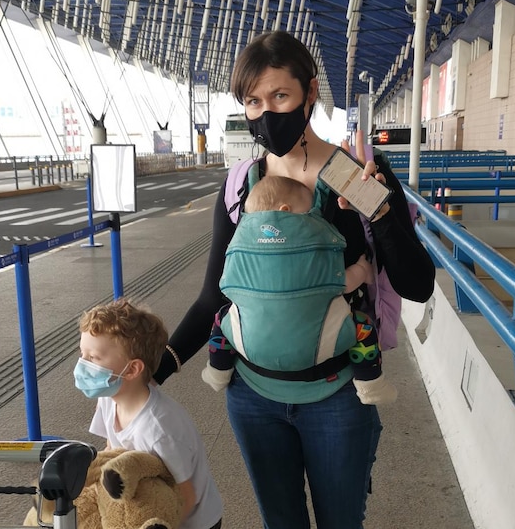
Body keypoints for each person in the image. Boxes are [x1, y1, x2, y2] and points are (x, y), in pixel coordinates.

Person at [153, 31, 436, 529]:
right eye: (253, 101)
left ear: (310, 93)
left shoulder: (355, 174)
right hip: (253, 395)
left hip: (340, 396)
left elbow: (417, 284)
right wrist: (155, 370)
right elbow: (215, 295)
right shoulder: (241, 184)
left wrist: (384, 212)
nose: (267, 114)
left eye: (280, 96)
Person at [200, 175, 395, 405]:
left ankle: (217, 371)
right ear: (286, 210)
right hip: (320, 350)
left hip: (250, 348)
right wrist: (362, 270)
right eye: (308, 210)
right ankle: (370, 384)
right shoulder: (311, 242)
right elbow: (342, 283)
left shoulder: (242, 243)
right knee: (364, 328)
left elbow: (226, 288)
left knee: (221, 320)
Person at [74, 299, 224, 529]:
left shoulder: (160, 429)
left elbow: (187, 496)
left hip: (192, 521)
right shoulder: (108, 399)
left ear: (132, 369)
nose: (82, 364)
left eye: (93, 357)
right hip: (144, 503)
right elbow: (111, 451)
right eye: (82, 353)